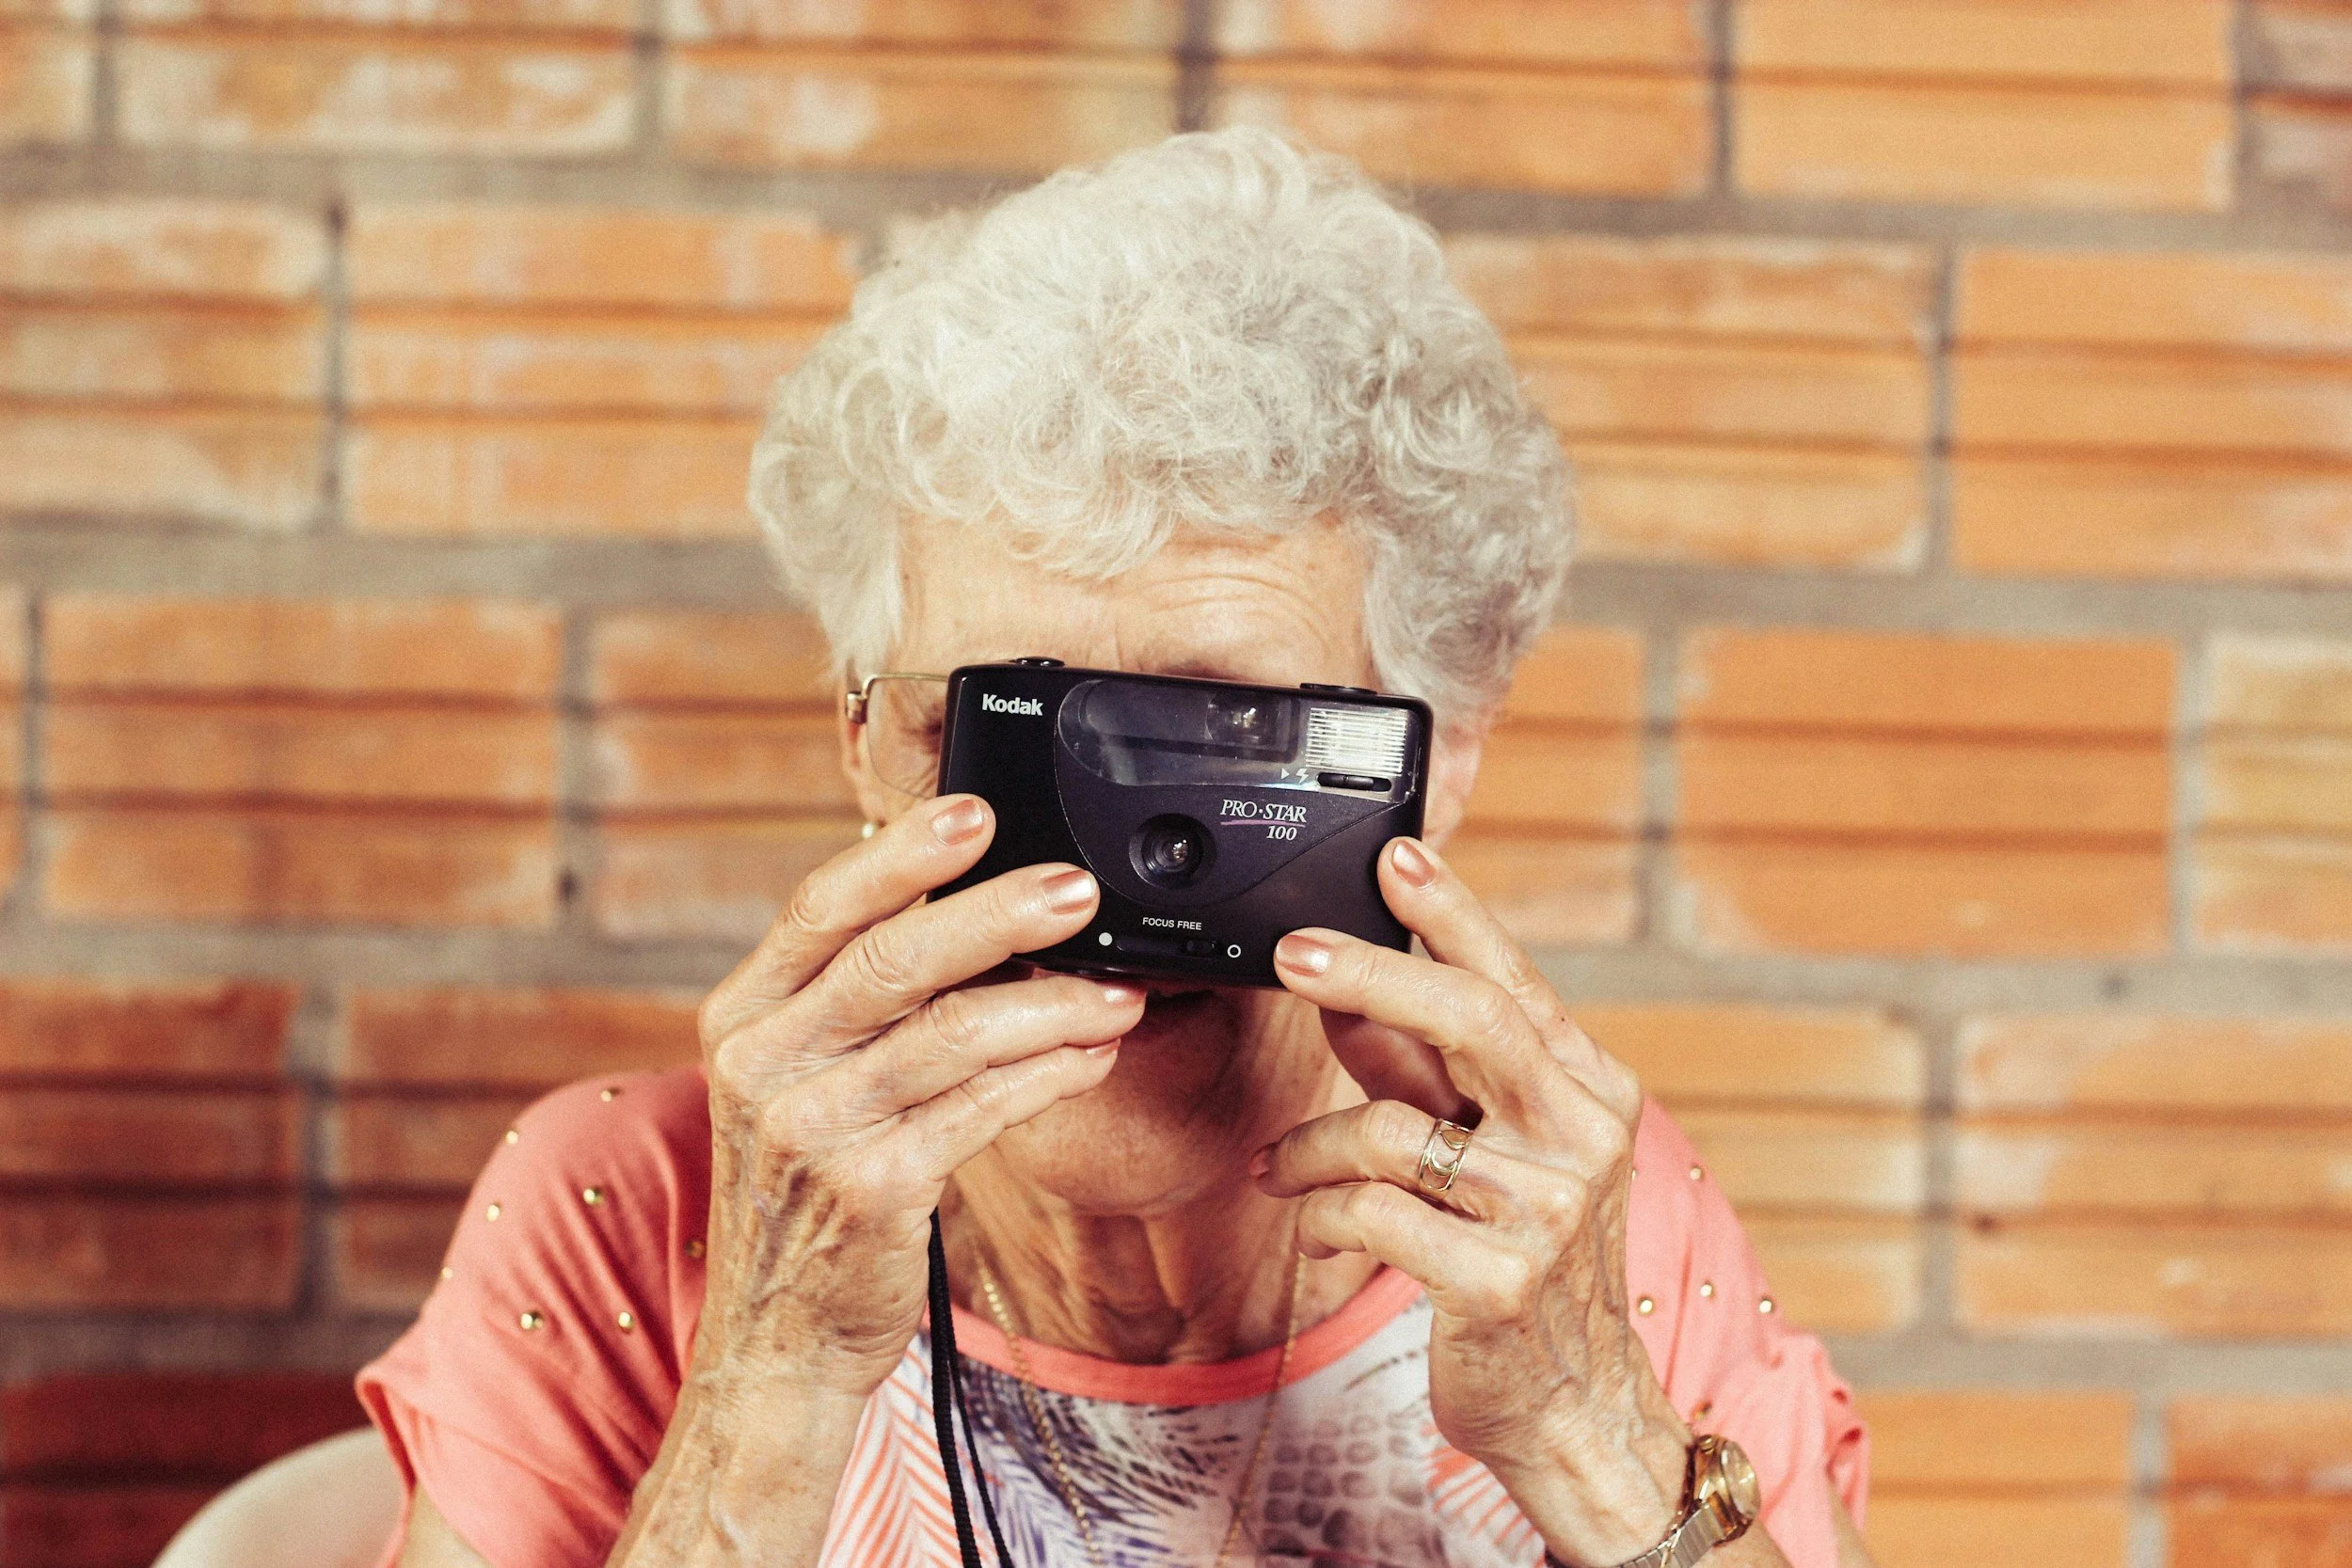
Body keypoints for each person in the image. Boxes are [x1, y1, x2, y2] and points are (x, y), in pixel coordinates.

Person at [358, 128, 1874, 1568]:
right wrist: (775, 1373)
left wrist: (1585, 1422)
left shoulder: (1564, 1220)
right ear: (865, 747)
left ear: (1438, 758)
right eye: (1003, 735)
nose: (1101, 884)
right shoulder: (631, 1211)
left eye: (1222, 744)